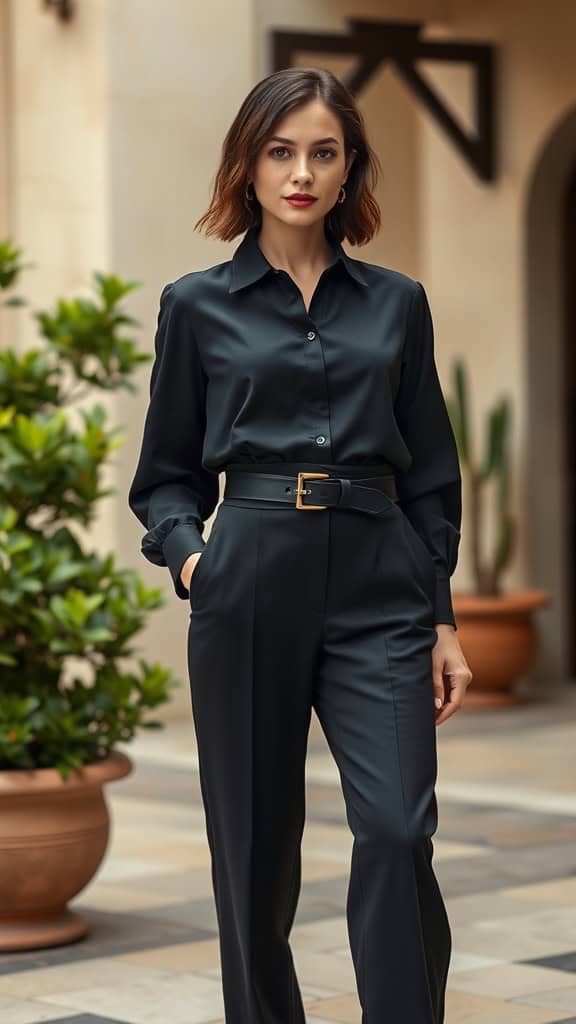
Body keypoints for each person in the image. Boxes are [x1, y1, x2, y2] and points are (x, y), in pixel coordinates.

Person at [128, 65, 473, 1024]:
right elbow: (164, 475)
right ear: (249, 163)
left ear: (350, 167)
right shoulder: (196, 305)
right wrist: (195, 557)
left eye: (325, 152)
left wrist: (440, 615)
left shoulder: (396, 302)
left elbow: (432, 475)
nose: (302, 173)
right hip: (249, 583)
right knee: (252, 852)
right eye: (281, 151)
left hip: (381, 587)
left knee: (400, 831)